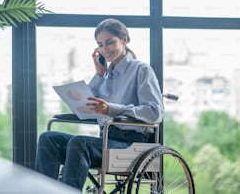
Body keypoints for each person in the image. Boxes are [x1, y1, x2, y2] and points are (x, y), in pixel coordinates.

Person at [35, 18, 164, 191]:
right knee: (48, 139)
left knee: (79, 143)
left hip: (130, 142)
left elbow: (155, 112)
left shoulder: (141, 70)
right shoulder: (104, 76)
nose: (105, 49)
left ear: (124, 39)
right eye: (100, 45)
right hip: (105, 140)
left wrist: (111, 109)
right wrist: (99, 74)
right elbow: (86, 106)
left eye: (110, 42)